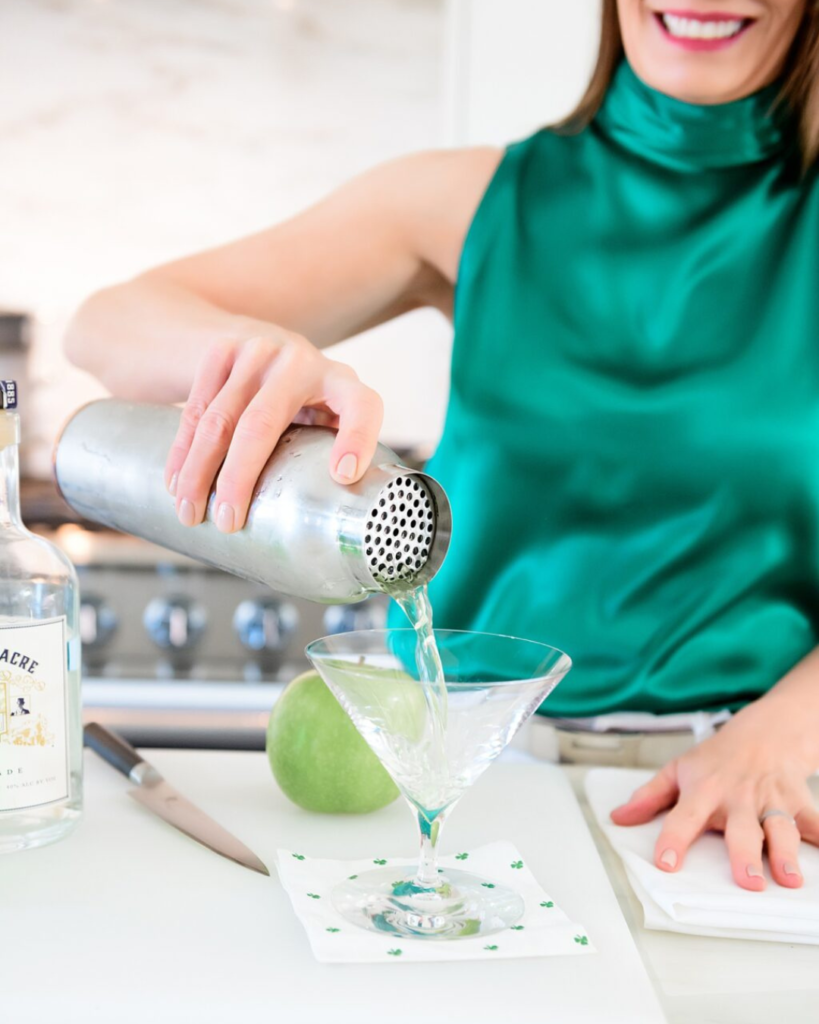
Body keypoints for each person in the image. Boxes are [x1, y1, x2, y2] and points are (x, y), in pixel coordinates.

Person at [66, 0, 819, 893]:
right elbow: (105, 326)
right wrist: (245, 358)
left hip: (741, 802)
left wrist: (784, 732)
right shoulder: (466, 201)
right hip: (460, 785)